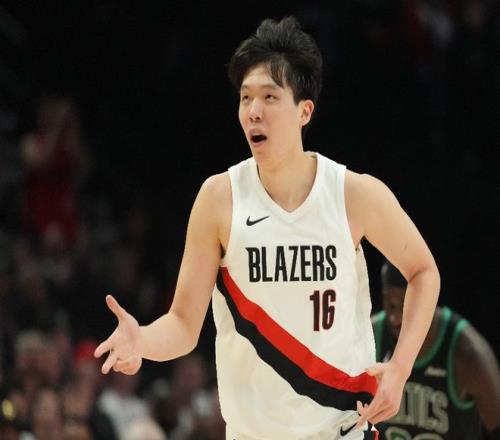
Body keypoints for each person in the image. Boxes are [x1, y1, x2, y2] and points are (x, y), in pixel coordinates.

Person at [94, 16, 440, 439]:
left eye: (270, 97)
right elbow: (183, 325)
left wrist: (400, 368)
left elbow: (423, 271)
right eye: (245, 98)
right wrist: (142, 341)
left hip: (342, 429)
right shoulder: (220, 199)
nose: (253, 111)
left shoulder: (352, 194)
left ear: (304, 111)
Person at [372, 259, 500, 439]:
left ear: (427, 300)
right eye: (390, 305)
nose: (394, 318)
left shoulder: (467, 353)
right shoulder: (370, 337)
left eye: (404, 305)